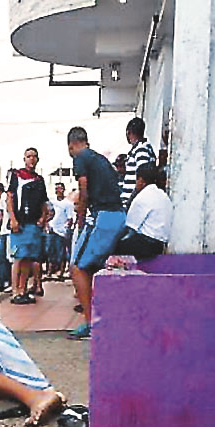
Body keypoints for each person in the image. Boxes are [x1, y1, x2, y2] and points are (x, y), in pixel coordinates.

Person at [67, 127, 126, 339]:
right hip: (117, 215)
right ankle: (100, 317)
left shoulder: (80, 157)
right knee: (93, 267)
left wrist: (81, 217)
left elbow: (83, 188)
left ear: (71, 145)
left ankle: (90, 322)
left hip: (102, 216)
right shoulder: (101, 160)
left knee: (76, 266)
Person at [6, 147, 49, 305]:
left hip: (33, 225)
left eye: (34, 156)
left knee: (29, 258)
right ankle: (15, 290)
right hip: (19, 223)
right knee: (18, 257)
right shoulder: (16, 176)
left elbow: (44, 202)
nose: (31, 159)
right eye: (28, 156)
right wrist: (13, 219)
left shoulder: (39, 180)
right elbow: (9, 197)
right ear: (24, 159)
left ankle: (23, 289)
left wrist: (43, 219)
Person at [115, 163, 172, 260]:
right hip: (161, 244)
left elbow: (130, 227)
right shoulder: (163, 195)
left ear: (141, 180)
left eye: (137, 179)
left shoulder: (142, 197)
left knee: (113, 247)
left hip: (146, 244)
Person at [121, 117, 156, 208]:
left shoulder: (141, 149)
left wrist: (130, 201)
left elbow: (142, 178)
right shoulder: (142, 148)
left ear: (129, 133)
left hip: (134, 203)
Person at [48, 183, 75, 280]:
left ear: (63, 190)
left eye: (59, 189)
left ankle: (61, 271)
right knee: (50, 251)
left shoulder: (68, 204)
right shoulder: (52, 202)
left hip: (61, 231)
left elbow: (70, 218)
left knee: (61, 252)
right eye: (56, 189)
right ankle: (50, 271)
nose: (57, 191)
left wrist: (66, 228)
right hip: (52, 229)